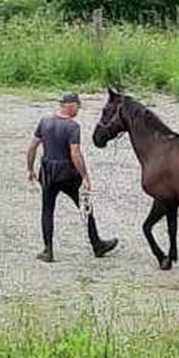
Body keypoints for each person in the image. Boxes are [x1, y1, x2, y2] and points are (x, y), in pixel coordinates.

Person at [25, 92, 118, 262]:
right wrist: (85, 176)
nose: (78, 109)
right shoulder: (72, 126)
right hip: (67, 173)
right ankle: (97, 244)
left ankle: (48, 250)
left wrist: (30, 169)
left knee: (47, 210)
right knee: (85, 207)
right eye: (77, 106)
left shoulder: (45, 122)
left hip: (48, 172)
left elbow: (32, 147)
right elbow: (75, 153)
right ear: (70, 105)